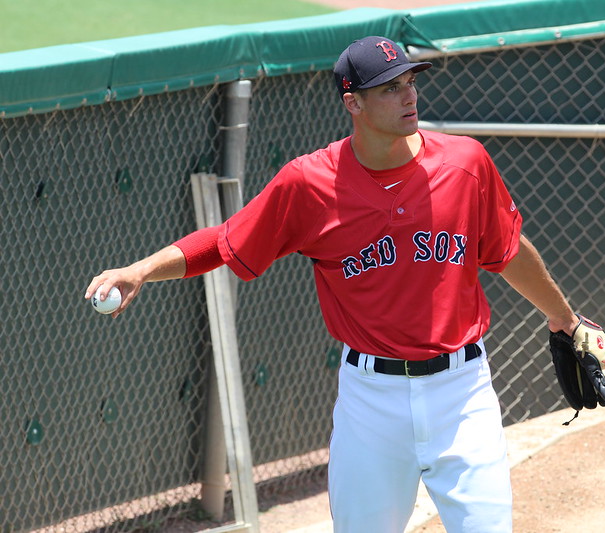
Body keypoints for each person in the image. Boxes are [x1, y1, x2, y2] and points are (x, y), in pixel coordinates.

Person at [85, 36, 579, 533]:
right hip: (371, 402)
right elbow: (225, 241)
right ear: (353, 102)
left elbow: (506, 251)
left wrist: (564, 318)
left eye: (410, 82)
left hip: (462, 393)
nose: (409, 96)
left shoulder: (465, 164)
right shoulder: (310, 183)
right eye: (390, 88)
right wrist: (142, 269)